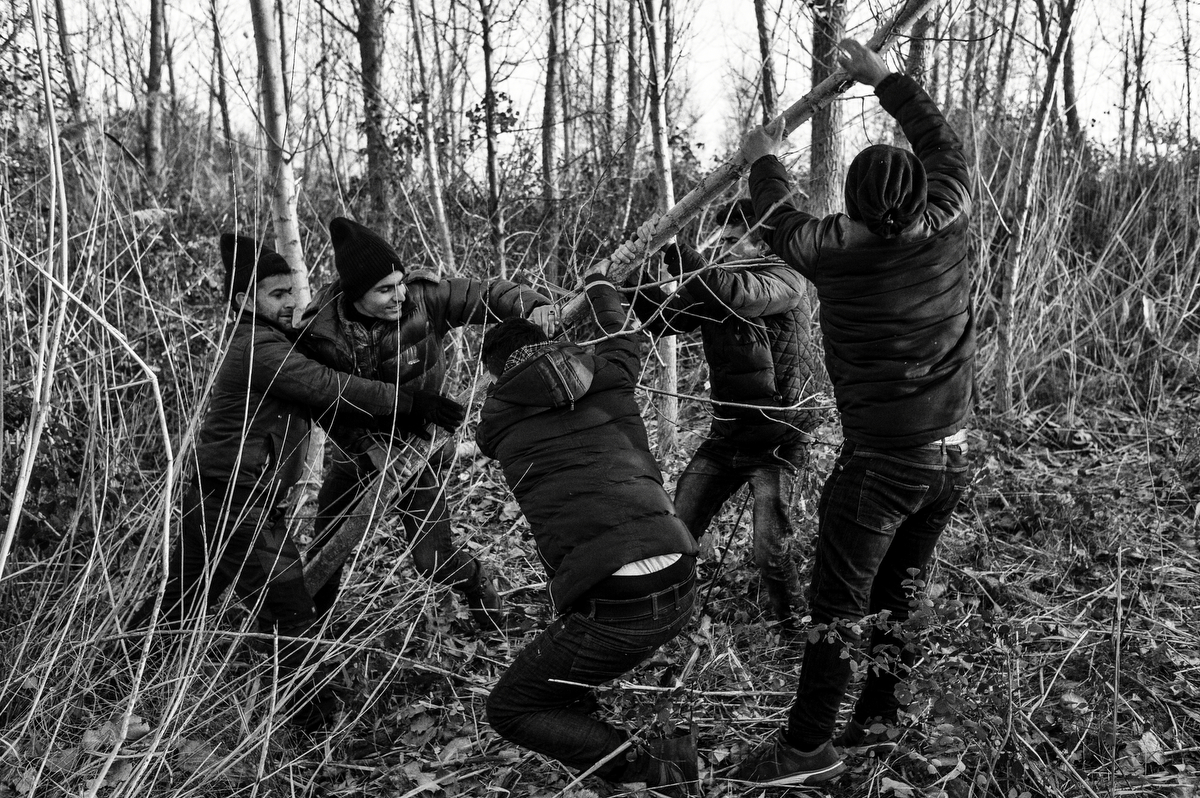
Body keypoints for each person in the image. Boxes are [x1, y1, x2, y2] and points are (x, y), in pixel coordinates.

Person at [731, 38, 975, 785]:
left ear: (855, 201)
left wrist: (762, 155)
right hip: (953, 454)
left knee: (840, 603)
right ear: (919, 193)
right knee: (901, 588)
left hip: (883, 464)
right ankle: (876, 723)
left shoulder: (831, 247)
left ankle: (807, 747)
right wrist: (887, 82)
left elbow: (776, 216)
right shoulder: (949, 218)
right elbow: (945, 147)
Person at [130, 234, 414, 731]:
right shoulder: (258, 347)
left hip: (217, 497)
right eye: (277, 294)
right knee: (290, 613)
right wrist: (410, 402)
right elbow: (328, 387)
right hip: (238, 502)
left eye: (292, 292)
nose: (290, 303)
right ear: (244, 300)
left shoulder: (273, 343)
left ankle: (118, 681)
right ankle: (314, 733)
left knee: (182, 601)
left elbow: (321, 404)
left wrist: (378, 442)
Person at [475, 275, 700, 796]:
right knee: (565, 641)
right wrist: (599, 285)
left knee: (511, 708)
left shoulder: (499, 422)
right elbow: (619, 328)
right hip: (680, 570)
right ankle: (647, 759)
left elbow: (487, 434)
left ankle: (652, 776)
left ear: (495, 377)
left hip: (619, 605)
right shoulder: (610, 373)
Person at [298, 217, 553, 632]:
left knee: (432, 560)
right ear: (355, 293)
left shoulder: (421, 298)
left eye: (399, 282)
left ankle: (478, 591)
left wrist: (532, 304)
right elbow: (326, 404)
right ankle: (310, 641)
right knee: (327, 552)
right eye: (385, 289)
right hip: (358, 456)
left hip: (421, 452)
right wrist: (370, 450)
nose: (399, 295)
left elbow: (483, 294)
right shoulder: (322, 334)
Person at [619, 198, 823, 628]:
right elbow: (663, 320)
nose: (725, 246)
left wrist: (677, 250)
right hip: (728, 436)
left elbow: (736, 295)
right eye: (723, 240)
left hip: (778, 440)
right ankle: (664, 616)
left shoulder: (786, 277)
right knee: (678, 528)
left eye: (733, 239)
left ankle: (794, 629)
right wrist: (629, 270)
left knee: (769, 550)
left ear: (760, 238)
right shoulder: (717, 281)